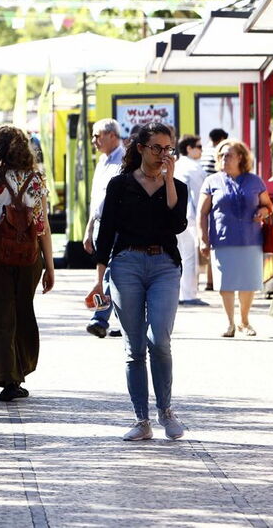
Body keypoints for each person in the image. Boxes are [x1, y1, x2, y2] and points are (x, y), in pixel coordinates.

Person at [87, 122, 188, 441]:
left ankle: (166, 411)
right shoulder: (120, 185)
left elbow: (177, 225)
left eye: (168, 148)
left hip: (164, 265)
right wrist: (99, 279)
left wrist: (169, 180)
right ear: (141, 148)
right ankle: (141, 419)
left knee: (159, 339)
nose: (163, 154)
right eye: (156, 147)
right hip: (126, 263)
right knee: (133, 347)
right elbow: (107, 232)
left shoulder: (178, 187)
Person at [0, 125, 54, 402]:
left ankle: (7, 377)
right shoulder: (36, 179)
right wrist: (50, 266)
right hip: (30, 254)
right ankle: (21, 369)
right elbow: (43, 226)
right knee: (22, 312)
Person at [198, 139, 272, 337]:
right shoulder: (211, 181)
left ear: (240, 157)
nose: (224, 159)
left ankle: (244, 321)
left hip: (251, 239)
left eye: (228, 155)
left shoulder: (255, 181)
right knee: (226, 283)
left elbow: (268, 206)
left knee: (248, 283)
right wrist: (203, 238)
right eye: (221, 155)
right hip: (222, 239)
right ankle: (229, 323)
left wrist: (263, 212)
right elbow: (202, 213)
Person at [83, 118, 125, 339]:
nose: (94, 140)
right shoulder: (102, 161)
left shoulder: (124, 160)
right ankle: (123, 321)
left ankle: (100, 319)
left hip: (116, 226)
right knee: (108, 274)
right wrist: (89, 229)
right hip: (100, 224)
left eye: (97, 135)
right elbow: (96, 199)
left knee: (110, 272)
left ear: (111, 135)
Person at [174, 135, 207, 306]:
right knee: (189, 257)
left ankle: (180, 292)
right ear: (189, 148)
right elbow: (198, 196)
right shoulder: (195, 169)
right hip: (189, 219)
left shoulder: (176, 166)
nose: (201, 150)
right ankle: (188, 294)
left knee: (178, 256)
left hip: (174, 218)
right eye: (199, 147)